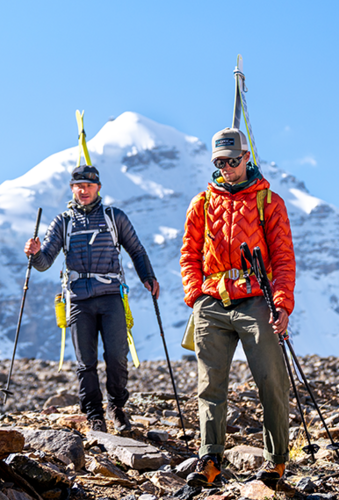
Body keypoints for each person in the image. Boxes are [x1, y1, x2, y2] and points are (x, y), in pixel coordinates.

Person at [180, 128, 296, 489]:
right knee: (209, 385)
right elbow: (189, 253)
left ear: (247, 158)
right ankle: (210, 459)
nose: (227, 167)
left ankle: (276, 460)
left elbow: (283, 258)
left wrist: (281, 303)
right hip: (211, 302)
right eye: (220, 162)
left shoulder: (269, 202)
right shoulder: (201, 203)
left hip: (254, 298)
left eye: (232, 160)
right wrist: (195, 296)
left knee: (271, 379)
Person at [25, 164, 158, 434]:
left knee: (117, 357)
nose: (83, 190)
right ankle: (94, 415)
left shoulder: (114, 217)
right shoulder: (62, 222)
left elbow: (136, 250)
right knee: (85, 362)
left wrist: (148, 278)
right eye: (78, 186)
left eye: (88, 185)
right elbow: (45, 262)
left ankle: (117, 408)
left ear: (98, 187)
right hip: (78, 300)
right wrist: (35, 253)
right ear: (72, 189)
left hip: (110, 297)